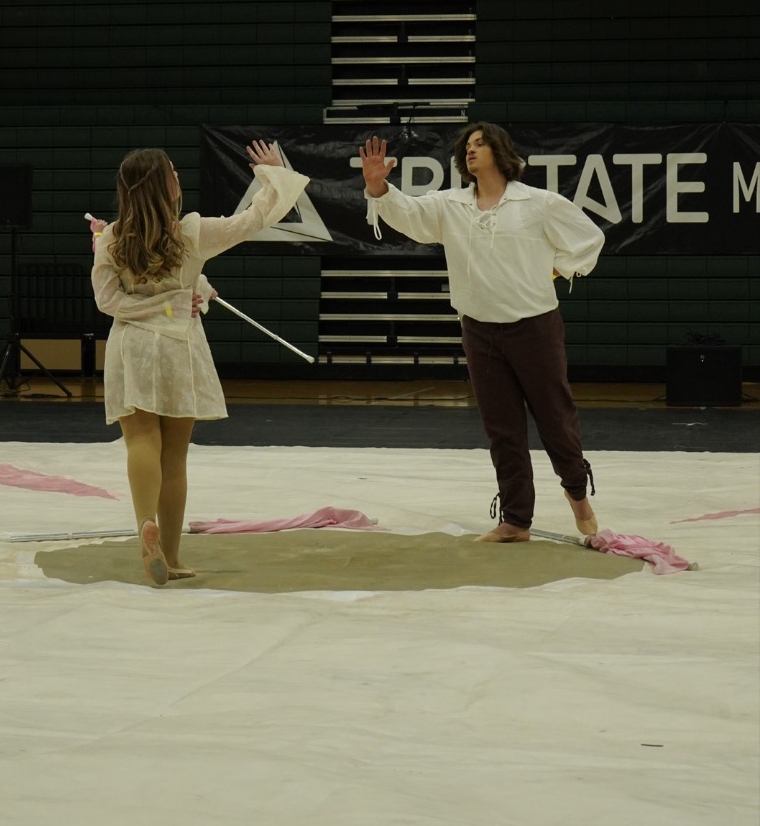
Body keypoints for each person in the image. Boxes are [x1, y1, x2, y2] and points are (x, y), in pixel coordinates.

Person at [359, 123, 605, 542]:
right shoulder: (450, 204)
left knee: (555, 420)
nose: (471, 150)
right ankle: (516, 519)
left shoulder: (539, 203)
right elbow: (410, 215)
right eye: (467, 146)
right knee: (502, 428)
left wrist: (555, 269)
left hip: (534, 326)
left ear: (499, 150)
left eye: (479, 143)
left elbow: (588, 240)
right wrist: (378, 187)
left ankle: (577, 493)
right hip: (479, 329)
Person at [92, 140, 309, 584]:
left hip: (131, 348)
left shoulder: (110, 239)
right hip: (178, 347)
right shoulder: (191, 233)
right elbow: (255, 218)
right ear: (164, 185)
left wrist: (163, 302)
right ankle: (171, 556)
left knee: (140, 441)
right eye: (172, 171)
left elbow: (107, 300)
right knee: (175, 456)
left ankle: (145, 526)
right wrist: (273, 173)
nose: (178, 176)